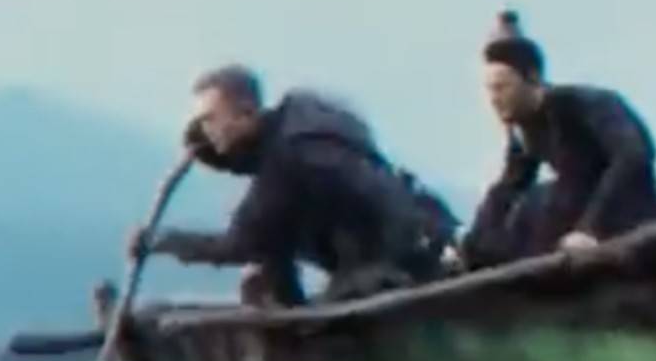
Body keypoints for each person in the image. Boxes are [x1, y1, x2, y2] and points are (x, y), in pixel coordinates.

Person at [135, 65, 464, 308]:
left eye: (210, 119)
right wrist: (210, 151)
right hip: (416, 236)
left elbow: (239, 243)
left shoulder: (288, 158)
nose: (206, 131)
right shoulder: (302, 117)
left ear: (246, 113)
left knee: (266, 256)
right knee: (272, 251)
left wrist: (162, 241)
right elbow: (252, 167)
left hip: (391, 264)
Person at [465, 11, 656, 267]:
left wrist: (591, 229)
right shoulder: (527, 128)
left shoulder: (584, 105)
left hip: (629, 211)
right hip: (581, 218)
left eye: (501, 88)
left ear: (533, 79)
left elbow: (634, 156)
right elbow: (509, 186)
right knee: (535, 210)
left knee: (551, 201)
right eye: (489, 90)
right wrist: (472, 245)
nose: (494, 100)